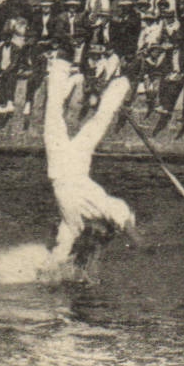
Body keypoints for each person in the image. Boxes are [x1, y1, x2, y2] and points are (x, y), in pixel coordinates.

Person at [42, 55, 136, 277]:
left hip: (61, 169)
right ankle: (120, 84)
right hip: (75, 167)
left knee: (55, 116)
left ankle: (61, 66)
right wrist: (144, 246)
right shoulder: (110, 208)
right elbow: (130, 230)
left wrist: (50, 270)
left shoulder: (72, 226)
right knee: (97, 121)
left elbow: (59, 252)